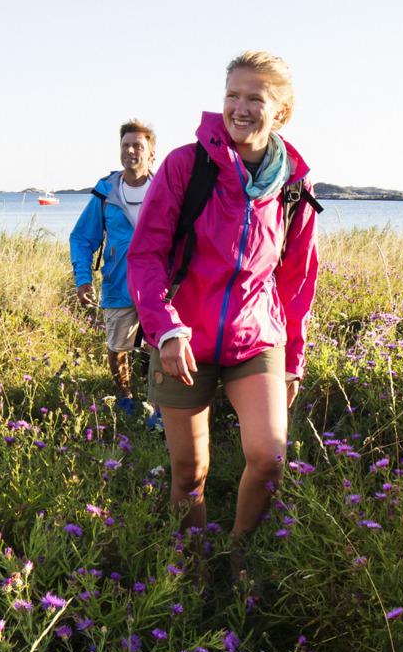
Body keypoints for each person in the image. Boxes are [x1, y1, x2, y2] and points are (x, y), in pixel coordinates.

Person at [128, 50, 321, 566]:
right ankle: (190, 572)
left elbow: (297, 282)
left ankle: (236, 559)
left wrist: (293, 359)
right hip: (182, 344)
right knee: (190, 472)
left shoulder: (295, 185)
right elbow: (145, 254)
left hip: (256, 342)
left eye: (254, 98)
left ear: (278, 112)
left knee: (269, 458)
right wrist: (166, 329)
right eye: (232, 95)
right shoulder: (186, 167)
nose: (239, 107)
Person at [69, 121, 163, 429]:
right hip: (117, 283)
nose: (131, 151)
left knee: (161, 347)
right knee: (118, 345)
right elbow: (82, 238)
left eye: (138, 146)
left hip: (158, 286)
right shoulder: (105, 191)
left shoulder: (165, 188)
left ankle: (158, 409)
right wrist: (83, 279)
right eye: (126, 145)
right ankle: (125, 400)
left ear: (151, 154)